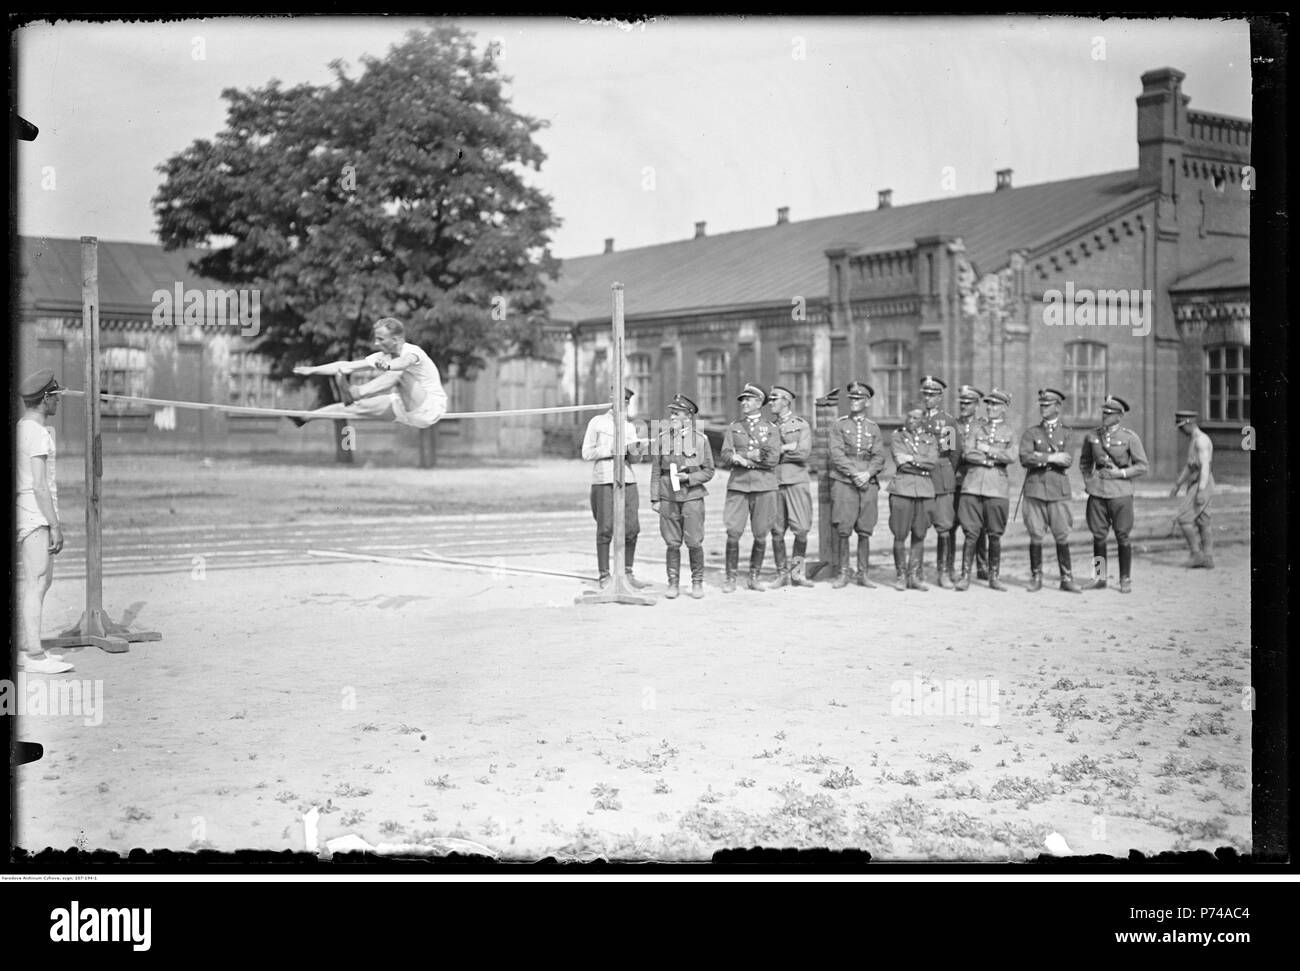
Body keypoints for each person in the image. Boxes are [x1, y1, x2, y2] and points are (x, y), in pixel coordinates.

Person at [16, 369, 75, 674]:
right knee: (37, 580)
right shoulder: (37, 433)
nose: (58, 402)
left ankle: (30, 648)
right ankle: (34, 655)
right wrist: (54, 524)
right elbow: (39, 486)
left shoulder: (23, 427)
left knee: (41, 581)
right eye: (56, 397)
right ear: (45, 399)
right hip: (34, 513)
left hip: (31, 509)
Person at [290, 317, 448, 428]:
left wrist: (387, 366)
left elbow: (403, 363)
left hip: (431, 407)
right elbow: (346, 366)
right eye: (376, 339)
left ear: (396, 339)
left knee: (399, 375)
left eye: (381, 339)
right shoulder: (381, 356)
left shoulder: (413, 351)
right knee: (353, 407)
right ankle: (304, 418)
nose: (376, 343)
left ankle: (356, 393)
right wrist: (313, 370)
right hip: (406, 410)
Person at [1080, 395, 1149, 593]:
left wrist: (1121, 473)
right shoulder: (1092, 436)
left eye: (1110, 413)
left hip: (1121, 493)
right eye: (1104, 412)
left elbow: (1143, 466)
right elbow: (1085, 462)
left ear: (1119, 417)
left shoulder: (1129, 438)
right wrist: (1088, 481)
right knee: (1098, 537)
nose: (1105, 416)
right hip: (1098, 493)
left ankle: (1125, 578)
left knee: (1123, 536)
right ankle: (1100, 577)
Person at [648, 394, 715, 599]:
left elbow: (709, 471)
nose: (672, 417)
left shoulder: (700, 440)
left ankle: (697, 582)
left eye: (676, 414)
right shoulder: (662, 439)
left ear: (688, 416)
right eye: (672, 414)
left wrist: (689, 477)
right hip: (668, 496)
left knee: (694, 541)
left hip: (692, 497)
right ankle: (673, 583)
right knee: (672, 542)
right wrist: (655, 499)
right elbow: (656, 471)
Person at [582, 388, 648, 590]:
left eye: (626, 401)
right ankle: (604, 575)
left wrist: (637, 450)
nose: (623, 404)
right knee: (605, 528)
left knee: (632, 528)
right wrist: (610, 450)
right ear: (612, 399)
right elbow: (586, 453)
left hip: (627, 479)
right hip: (604, 479)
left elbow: (635, 460)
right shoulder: (597, 422)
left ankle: (627, 572)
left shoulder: (629, 426)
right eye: (620, 400)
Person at [1019, 388, 1082, 593]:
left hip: (1058, 491)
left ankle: (1067, 578)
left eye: (1047, 405)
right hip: (1035, 489)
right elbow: (1024, 458)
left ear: (1057, 407)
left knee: (1062, 535)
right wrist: (1051, 458)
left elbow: (1068, 460)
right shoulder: (1032, 433)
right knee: (1035, 535)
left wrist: (1040, 456)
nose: (1043, 408)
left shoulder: (1068, 433)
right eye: (1042, 405)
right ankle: (1036, 577)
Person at [720, 382, 781, 593]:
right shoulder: (734, 427)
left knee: (761, 533)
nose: (744, 403)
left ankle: (754, 577)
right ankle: (730, 578)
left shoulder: (772, 429)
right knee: (733, 532)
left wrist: (743, 457)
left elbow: (772, 458)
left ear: (759, 403)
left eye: (749, 399)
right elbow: (726, 455)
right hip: (738, 485)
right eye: (743, 400)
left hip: (764, 486)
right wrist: (741, 457)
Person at [827, 381, 887, 589]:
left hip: (867, 482)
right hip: (845, 480)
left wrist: (868, 473)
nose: (853, 402)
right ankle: (843, 572)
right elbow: (836, 454)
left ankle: (863, 573)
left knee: (865, 528)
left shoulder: (873, 428)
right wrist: (855, 473)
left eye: (858, 399)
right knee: (843, 527)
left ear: (867, 402)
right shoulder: (839, 425)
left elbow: (879, 456)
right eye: (851, 398)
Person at [956, 388, 1016, 592]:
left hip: (997, 489)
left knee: (995, 534)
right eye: (989, 404)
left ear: (1005, 408)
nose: (991, 408)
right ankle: (965, 576)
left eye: (996, 405)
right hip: (972, 486)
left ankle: (994, 576)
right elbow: (967, 454)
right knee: (971, 533)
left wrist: (988, 450)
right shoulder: (976, 429)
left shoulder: (1009, 431)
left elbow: (1011, 456)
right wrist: (989, 461)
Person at [766, 385, 815, 589]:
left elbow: (803, 453)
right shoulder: (767, 426)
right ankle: (781, 574)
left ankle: (797, 573)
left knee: (801, 529)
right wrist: (787, 447)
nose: (771, 403)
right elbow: (764, 455)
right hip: (774, 482)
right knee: (776, 531)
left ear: (786, 401)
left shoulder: (801, 425)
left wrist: (777, 451)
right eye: (770, 399)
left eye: (775, 399)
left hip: (796, 480)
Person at [888, 402, 940, 591]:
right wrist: (919, 461)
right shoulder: (897, 436)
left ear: (923, 420)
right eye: (908, 416)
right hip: (902, 488)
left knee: (920, 533)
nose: (911, 420)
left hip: (925, 490)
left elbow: (932, 462)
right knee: (900, 533)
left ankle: (914, 576)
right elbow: (899, 462)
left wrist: (911, 458)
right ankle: (901, 576)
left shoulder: (931, 438)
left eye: (915, 418)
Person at [920, 376, 962, 588]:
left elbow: (953, 453)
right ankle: (915, 572)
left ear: (940, 397)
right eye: (925, 394)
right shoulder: (916, 419)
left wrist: (945, 473)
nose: (927, 398)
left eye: (932, 395)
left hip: (940, 477)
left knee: (944, 526)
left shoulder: (947, 421)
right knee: (917, 525)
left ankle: (943, 571)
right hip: (919, 477)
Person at [1170, 410, 1216, 568]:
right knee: (1203, 520)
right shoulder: (1194, 439)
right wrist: (1178, 484)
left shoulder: (1201, 441)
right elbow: (1190, 466)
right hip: (1199, 482)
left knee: (1184, 518)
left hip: (1202, 482)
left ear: (1189, 423)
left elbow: (1204, 467)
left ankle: (1196, 555)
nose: (1181, 431)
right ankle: (1208, 558)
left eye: (1182, 427)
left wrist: (1201, 490)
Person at [953, 384, 989, 580]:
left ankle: (982, 566)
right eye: (962, 403)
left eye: (968, 403)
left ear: (977, 405)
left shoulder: (983, 426)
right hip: (957, 482)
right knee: (951, 525)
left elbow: (985, 452)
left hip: (977, 482)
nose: (964, 406)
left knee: (979, 526)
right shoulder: (952, 426)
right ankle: (949, 567)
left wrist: (971, 456)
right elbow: (948, 453)